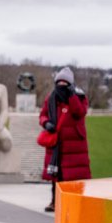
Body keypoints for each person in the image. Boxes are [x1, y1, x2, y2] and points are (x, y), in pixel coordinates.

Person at [41, 67, 91, 212]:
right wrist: (46, 123)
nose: (61, 86)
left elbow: (79, 112)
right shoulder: (51, 98)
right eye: (59, 83)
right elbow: (43, 115)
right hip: (56, 144)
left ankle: (73, 203)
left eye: (65, 83)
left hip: (74, 144)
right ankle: (54, 201)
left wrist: (72, 96)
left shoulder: (79, 97)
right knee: (56, 175)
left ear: (70, 84)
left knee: (73, 176)